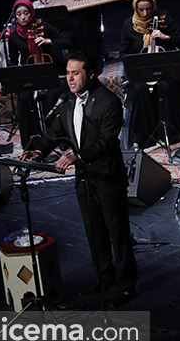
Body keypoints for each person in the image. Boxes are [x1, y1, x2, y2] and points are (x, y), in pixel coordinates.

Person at [19, 52, 137, 306]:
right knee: (94, 231)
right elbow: (54, 133)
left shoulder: (109, 102)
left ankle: (127, 284)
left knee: (118, 233)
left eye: (75, 73)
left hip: (107, 177)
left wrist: (77, 156)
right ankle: (105, 278)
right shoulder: (67, 100)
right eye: (67, 73)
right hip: (84, 178)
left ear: (90, 74)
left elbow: (106, 142)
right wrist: (39, 151)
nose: (69, 79)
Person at [119, 0, 180, 148]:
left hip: (165, 71)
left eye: (148, 9)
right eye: (141, 10)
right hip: (142, 72)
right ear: (135, 8)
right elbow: (124, 52)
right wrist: (136, 62)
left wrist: (165, 37)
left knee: (166, 87)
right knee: (140, 90)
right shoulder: (128, 25)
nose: (145, 13)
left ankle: (172, 133)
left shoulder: (164, 18)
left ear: (154, 7)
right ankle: (145, 136)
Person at [7, 0, 74, 150]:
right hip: (29, 75)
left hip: (51, 73)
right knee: (24, 98)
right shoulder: (14, 37)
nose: (23, 17)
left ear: (32, 13)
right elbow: (12, 62)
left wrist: (49, 41)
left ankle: (59, 138)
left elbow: (68, 41)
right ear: (15, 17)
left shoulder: (43, 26)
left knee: (53, 96)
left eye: (26, 13)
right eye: (19, 14)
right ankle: (31, 139)